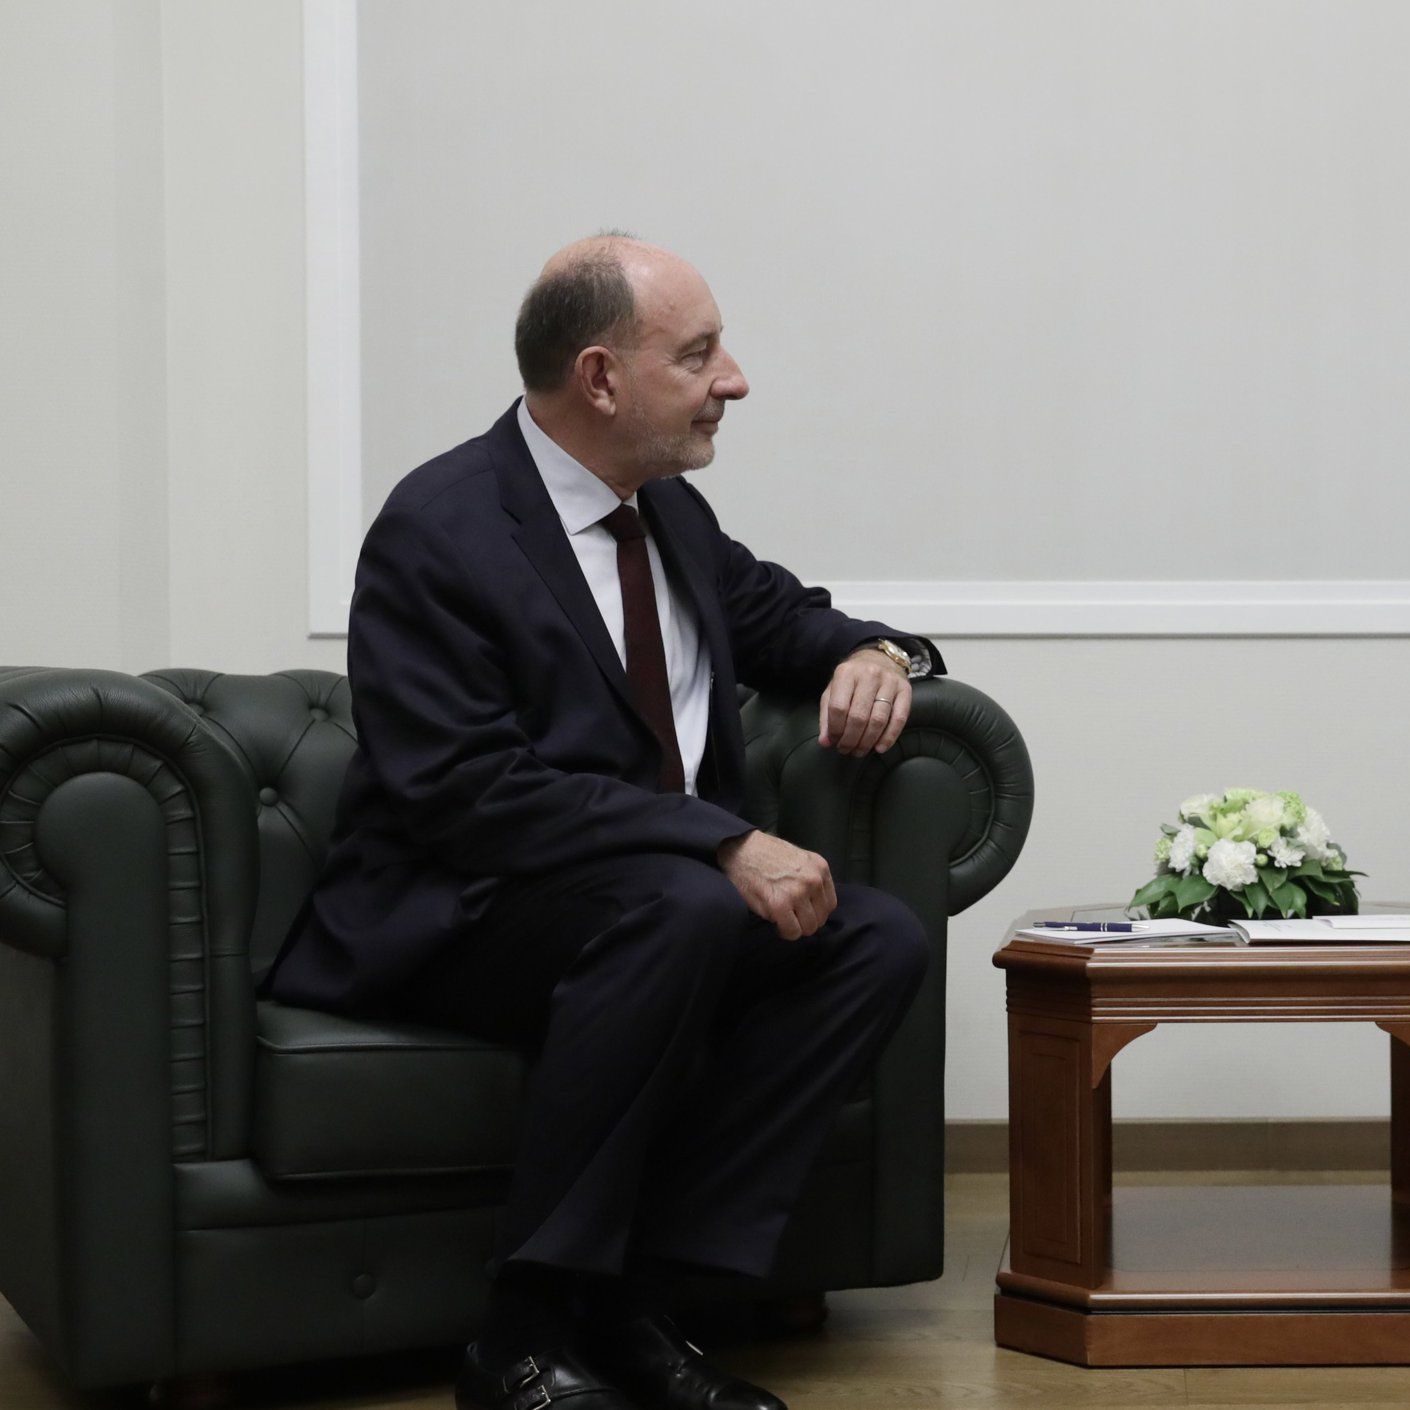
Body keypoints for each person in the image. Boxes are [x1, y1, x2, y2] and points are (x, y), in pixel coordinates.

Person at [266, 234, 940, 1410]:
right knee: (681, 904)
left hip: (641, 905)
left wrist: (876, 655)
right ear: (600, 377)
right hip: (467, 909)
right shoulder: (441, 528)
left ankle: (638, 1305)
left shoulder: (665, 513)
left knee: (873, 939)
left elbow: (784, 618)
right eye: (699, 353)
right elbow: (466, 792)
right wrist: (720, 841)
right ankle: (520, 1334)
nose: (735, 377)